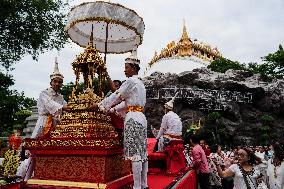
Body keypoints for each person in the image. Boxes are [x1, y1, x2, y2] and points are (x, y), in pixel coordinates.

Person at [90, 48, 148, 189]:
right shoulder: (140, 84)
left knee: (135, 154)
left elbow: (116, 96)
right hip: (141, 117)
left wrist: (100, 105)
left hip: (133, 118)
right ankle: (144, 184)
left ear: (133, 68)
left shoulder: (130, 82)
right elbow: (125, 103)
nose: (125, 71)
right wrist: (111, 109)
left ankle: (137, 187)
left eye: (126, 67)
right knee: (143, 153)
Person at [24, 58, 70, 181]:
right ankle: (26, 178)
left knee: (53, 151)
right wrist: (65, 108)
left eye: (60, 82)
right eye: (55, 81)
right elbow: (50, 105)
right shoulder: (44, 93)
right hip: (44, 123)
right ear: (51, 82)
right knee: (35, 150)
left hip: (56, 124)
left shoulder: (61, 97)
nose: (57, 84)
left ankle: (48, 175)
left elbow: (65, 107)